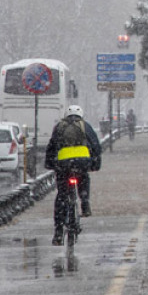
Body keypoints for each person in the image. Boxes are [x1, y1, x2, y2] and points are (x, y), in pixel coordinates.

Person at [45, 104, 102, 246]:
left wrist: (50, 164)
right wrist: (95, 164)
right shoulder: (85, 126)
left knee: (62, 196)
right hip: (82, 163)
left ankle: (58, 233)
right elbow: (96, 146)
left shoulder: (59, 127)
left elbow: (51, 147)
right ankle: (84, 203)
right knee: (84, 178)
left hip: (63, 164)